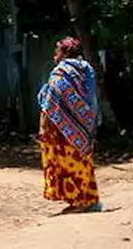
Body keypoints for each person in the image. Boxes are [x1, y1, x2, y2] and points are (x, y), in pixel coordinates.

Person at [36, 37, 102, 213]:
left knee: (67, 163)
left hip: (62, 129)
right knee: (82, 163)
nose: (54, 55)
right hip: (84, 125)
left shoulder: (60, 73)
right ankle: (84, 199)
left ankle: (81, 200)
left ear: (65, 53)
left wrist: (43, 127)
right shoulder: (86, 70)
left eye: (57, 51)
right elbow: (91, 99)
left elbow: (50, 102)